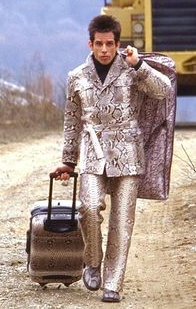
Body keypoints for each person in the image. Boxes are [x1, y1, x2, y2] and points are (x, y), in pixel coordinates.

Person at [53, 15, 171, 302]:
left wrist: (140, 65)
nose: (104, 49)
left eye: (110, 44)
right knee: (89, 207)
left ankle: (113, 283)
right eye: (99, 44)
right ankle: (92, 260)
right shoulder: (76, 76)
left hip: (128, 154)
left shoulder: (132, 70)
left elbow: (164, 91)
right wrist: (68, 161)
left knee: (122, 222)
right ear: (90, 43)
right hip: (93, 153)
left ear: (118, 44)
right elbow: (72, 121)